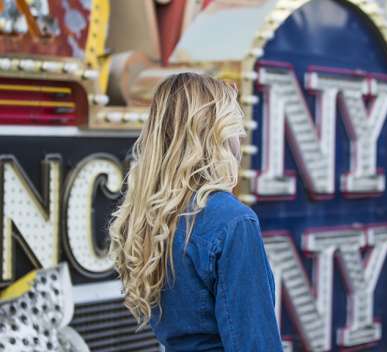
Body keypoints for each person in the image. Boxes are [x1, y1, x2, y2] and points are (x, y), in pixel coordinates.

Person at [108, 72, 283, 351]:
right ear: (217, 136)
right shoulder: (233, 221)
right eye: (235, 126)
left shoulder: (150, 216)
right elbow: (255, 343)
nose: (241, 137)